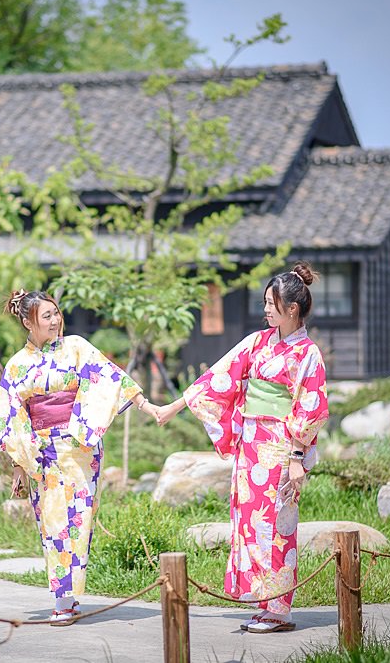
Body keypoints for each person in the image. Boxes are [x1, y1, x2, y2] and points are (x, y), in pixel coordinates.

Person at [152, 263, 329, 633]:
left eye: (271, 303)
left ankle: (280, 609)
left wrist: (298, 457)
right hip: (251, 445)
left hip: (281, 446)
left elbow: (309, 404)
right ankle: (264, 601)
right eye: (265, 302)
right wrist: (173, 407)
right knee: (249, 523)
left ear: (292, 308)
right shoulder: (257, 342)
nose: (265, 310)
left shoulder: (307, 353)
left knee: (277, 523)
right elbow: (219, 375)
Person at [0, 289, 159, 625]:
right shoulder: (17, 364)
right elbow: (12, 417)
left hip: (80, 447)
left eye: (55, 313)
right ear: (27, 322)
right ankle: (62, 599)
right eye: (46, 316)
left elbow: (111, 377)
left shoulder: (77, 347)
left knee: (78, 521)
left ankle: (69, 596)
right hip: (42, 453)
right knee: (53, 524)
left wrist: (146, 405)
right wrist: (19, 465)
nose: (55, 320)